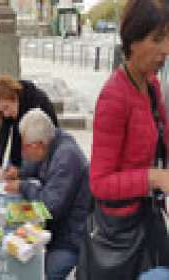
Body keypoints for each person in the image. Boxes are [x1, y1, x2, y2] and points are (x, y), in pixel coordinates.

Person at [77, 1, 169, 279]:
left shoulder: (151, 84)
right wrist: (152, 178)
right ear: (132, 41)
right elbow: (99, 182)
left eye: (168, 38)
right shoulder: (114, 97)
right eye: (157, 39)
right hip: (121, 232)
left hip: (149, 215)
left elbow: (162, 136)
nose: (165, 50)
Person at [4, 108, 91, 280]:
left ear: (40, 144)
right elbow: (37, 164)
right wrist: (19, 172)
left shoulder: (66, 156)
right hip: (57, 230)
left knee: (33, 269)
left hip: (69, 240)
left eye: (26, 146)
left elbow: (47, 208)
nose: (23, 152)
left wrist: (23, 185)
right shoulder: (53, 141)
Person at [0, 75, 59, 184]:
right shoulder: (8, 107)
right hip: (25, 149)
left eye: (6, 108)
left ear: (15, 97)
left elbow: (37, 146)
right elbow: (3, 134)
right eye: (2, 112)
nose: (6, 114)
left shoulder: (36, 103)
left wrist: (20, 171)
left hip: (40, 151)